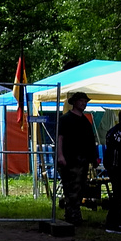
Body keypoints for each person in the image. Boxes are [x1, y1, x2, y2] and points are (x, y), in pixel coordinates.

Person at [54, 92, 96, 225]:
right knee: (70, 188)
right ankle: (72, 215)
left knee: (80, 188)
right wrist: (60, 155)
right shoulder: (65, 119)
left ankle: (74, 215)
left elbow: (90, 141)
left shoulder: (85, 121)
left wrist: (93, 158)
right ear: (75, 102)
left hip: (82, 160)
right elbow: (59, 138)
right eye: (81, 101)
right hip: (68, 159)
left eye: (85, 101)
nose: (84, 103)